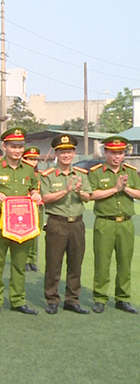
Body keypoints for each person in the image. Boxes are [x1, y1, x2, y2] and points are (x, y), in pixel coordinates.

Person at [0, 128, 42, 316]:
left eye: (20, 147)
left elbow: (33, 188)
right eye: (13, 146)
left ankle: (18, 300)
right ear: (4, 146)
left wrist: (35, 194)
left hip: (23, 223)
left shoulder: (28, 169)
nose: (17, 150)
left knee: (19, 263)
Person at [39, 134, 91, 315]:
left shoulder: (81, 174)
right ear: (56, 154)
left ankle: (72, 299)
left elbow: (88, 197)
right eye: (62, 152)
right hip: (57, 222)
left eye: (69, 152)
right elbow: (46, 198)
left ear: (74, 153)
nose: (66, 155)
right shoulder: (48, 175)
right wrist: (65, 191)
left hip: (77, 223)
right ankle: (52, 299)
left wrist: (79, 192)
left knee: (75, 263)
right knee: (54, 264)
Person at [88, 136, 140, 314]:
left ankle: (122, 298)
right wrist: (115, 189)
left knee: (125, 262)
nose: (117, 156)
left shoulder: (131, 172)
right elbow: (91, 195)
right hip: (105, 222)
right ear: (105, 153)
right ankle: (100, 297)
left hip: (125, 223)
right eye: (113, 153)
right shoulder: (97, 172)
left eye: (120, 153)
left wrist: (125, 189)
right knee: (102, 262)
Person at [22, 146, 43, 272]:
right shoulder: (22, 173)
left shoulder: (41, 175)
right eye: (30, 159)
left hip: (38, 207)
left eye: (35, 159)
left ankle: (33, 260)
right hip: (24, 208)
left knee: (36, 234)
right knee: (25, 234)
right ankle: (24, 259)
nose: (33, 162)